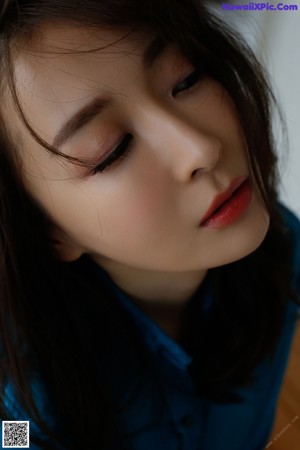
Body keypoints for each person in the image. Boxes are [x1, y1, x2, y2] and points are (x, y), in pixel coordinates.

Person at [0, 0, 299, 449]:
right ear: (45, 229)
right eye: (113, 149)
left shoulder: (284, 244)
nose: (200, 149)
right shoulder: (22, 414)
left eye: (187, 78)